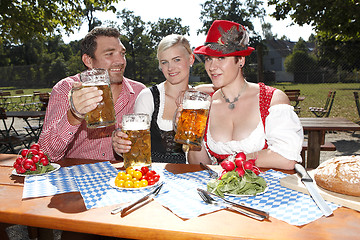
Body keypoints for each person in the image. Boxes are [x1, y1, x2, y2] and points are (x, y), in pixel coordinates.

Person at [188, 20, 303, 170]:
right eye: (208, 58)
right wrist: (191, 136)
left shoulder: (271, 99)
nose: (212, 67)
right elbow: (199, 166)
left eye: (221, 58)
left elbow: (287, 158)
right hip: (218, 191)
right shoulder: (205, 105)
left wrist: (235, 160)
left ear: (241, 60)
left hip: (267, 190)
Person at [38, 27, 146, 162]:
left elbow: (144, 148)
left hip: (119, 178)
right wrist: (74, 115)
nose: (121, 61)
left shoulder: (138, 92)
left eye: (122, 53)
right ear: (88, 61)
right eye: (109, 54)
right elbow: (46, 154)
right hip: (75, 175)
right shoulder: (66, 88)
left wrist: (124, 148)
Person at [112, 34, 195, 163]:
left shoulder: (200, 102)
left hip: (191, 175)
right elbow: (134, 146)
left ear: (191, 59)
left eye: (177, 59)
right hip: (153, 176)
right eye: (164, 62)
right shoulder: (148, 97)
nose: (170, 68)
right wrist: (120, 147)